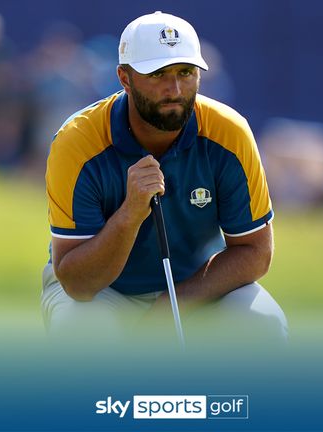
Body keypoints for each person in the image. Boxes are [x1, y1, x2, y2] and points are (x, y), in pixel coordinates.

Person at [41, 11, 287, 345]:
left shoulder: (229, 133)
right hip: (102, 293)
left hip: (196, 285)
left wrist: (171, 306)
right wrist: (129, 214)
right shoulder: (78, 141)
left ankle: (222, 402)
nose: (174, 89)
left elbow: (256, 252)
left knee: (263, 323)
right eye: (157, 74)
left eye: (185, 72)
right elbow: (77, 283)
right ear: (125, 78)